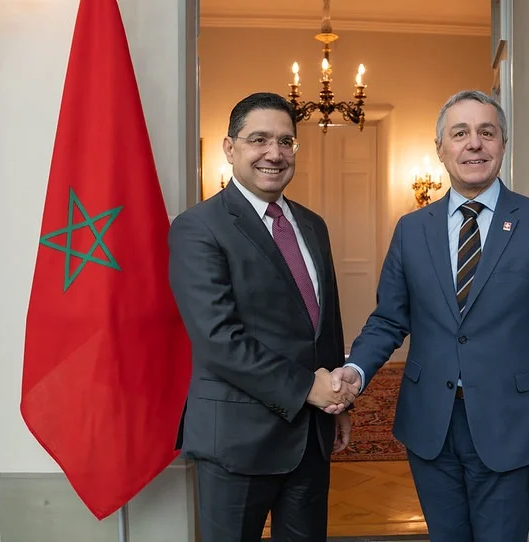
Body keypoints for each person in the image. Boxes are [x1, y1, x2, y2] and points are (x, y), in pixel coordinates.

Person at [327, 89, 529, 541]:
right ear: (441, 149)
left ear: (503, 144)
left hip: (512, 425)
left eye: (487, 133)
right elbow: (390, 318)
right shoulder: (412, 229)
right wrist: (356, 368)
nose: (474, 144)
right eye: (460, 133)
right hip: (431, 425)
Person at [168, 92, 358, 542]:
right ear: (230, 148)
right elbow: (218, 340)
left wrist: (338, 401)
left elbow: (323, 326)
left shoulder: (313, 225)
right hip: (237, 442)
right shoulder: (199, 227)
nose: (275, 153)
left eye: (286, 141)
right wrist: (307, 388)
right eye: (259, 140)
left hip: (311, 436)